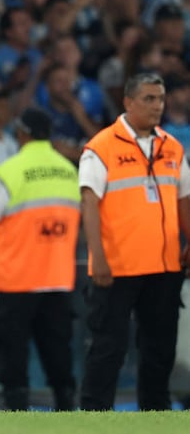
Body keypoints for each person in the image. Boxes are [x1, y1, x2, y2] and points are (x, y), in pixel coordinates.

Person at [79, 73, 190, 411]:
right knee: (108, 347)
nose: (158, 105)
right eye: (149, 99)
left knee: (160, 348)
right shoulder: (101, 147)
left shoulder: (172, 146)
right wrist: (97, 256)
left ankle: (154, 415)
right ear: (128, 102)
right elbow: (89, 203)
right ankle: (94, 417)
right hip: (117, 267)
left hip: (165, 266)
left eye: (160, 98)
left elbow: (184, 198)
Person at [0, 107, 80, 411]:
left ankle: (17, 404)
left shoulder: (9, 171)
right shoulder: (69, 170)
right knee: (58, 347)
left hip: (17, 278)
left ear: (22, 133)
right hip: (57, 276)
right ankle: (65, 404)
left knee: (13, 348)